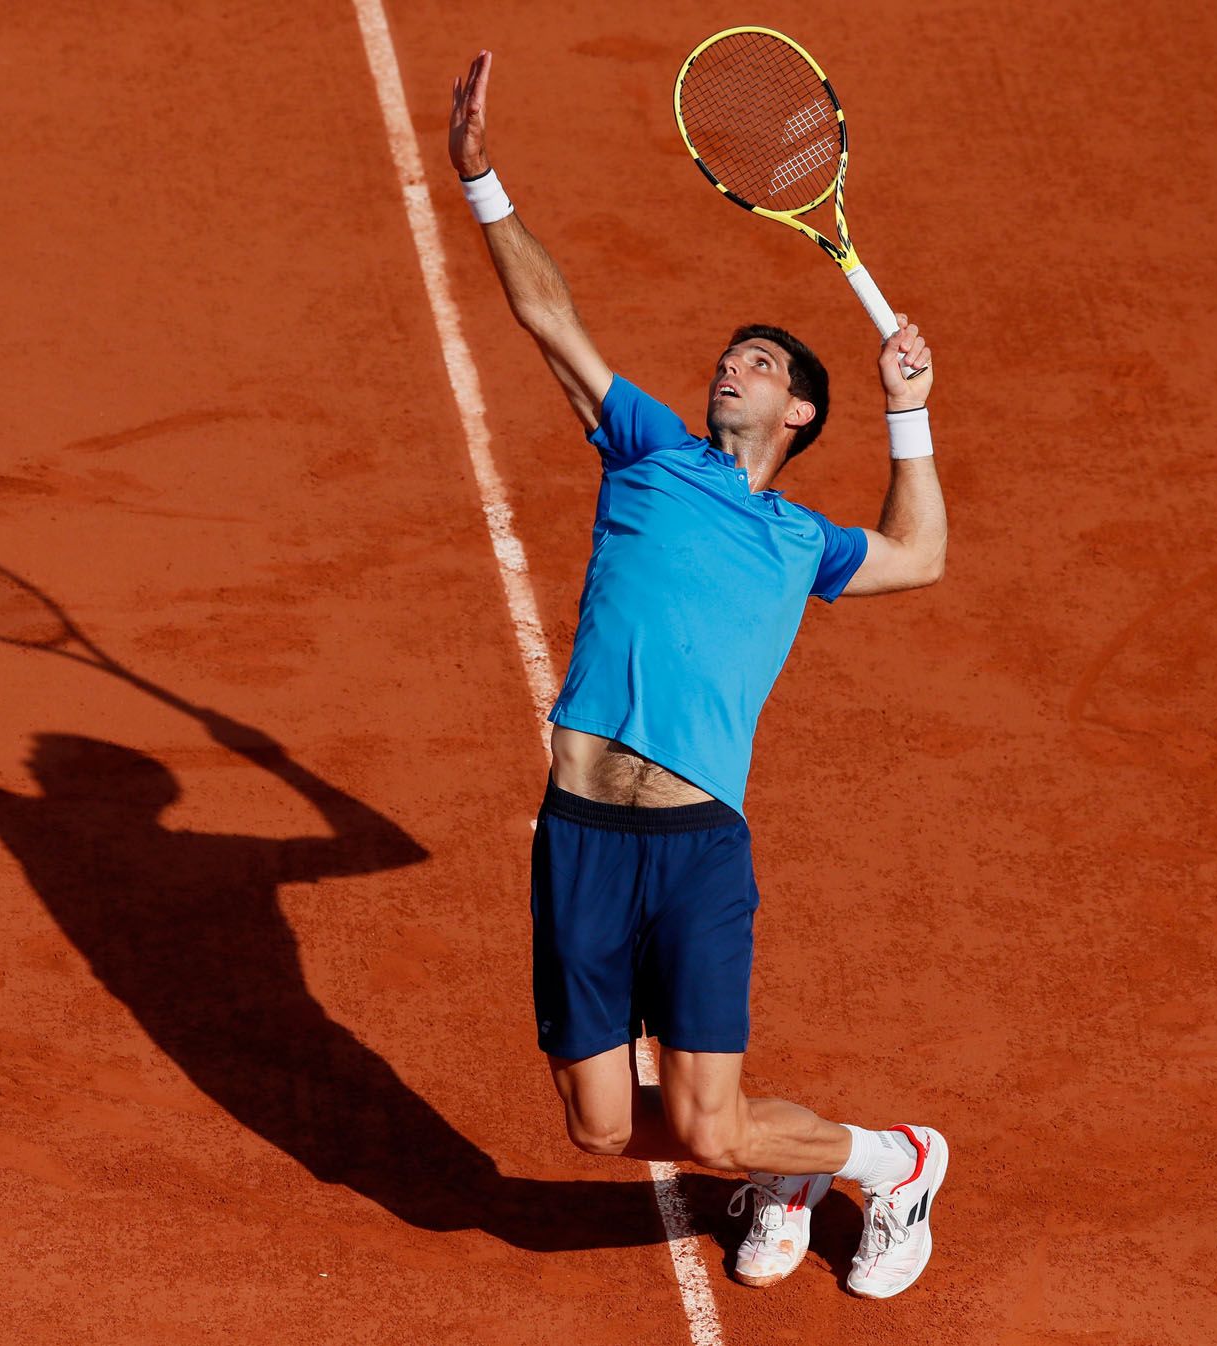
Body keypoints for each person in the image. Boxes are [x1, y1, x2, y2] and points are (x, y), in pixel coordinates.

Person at [448, 51, 951, 1298]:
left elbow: (920, 555)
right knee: (601, 1128)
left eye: (762, 366)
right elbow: (548, 321)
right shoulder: (648, 451)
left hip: (689, 846)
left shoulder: (802, 541)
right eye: (730, 356)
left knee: (713, 1129)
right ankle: (787, 1171)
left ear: (798, 421)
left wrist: (909, 412)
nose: (732, 367)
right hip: (575, 828)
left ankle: (887, 1158)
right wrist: (481, 184)